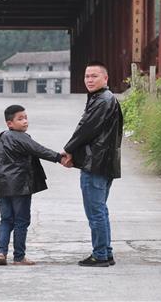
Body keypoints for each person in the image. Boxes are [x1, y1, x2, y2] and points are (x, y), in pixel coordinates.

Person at [0, 104, 67, 266]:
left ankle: (1, 252)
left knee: (6, 220)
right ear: (10, 123)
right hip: (20, 187)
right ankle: (19, 257)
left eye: (26, 118)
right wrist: (59, 157)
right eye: (20, 119)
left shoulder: (1, 137)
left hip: (2, 186)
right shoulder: (22, 138)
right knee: (21, 221)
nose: (25, 122)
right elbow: (39, 150)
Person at [62, 61, 123, 267]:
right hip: (104, 163)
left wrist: (68, 150)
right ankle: (106, 252)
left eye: (94, 76)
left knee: (95, 212)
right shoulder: (103, 99)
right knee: (100, 210)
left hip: (96, 164)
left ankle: (100, 255)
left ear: (105, 78)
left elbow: (86, 129)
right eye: (87, 76)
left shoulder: (102, 100)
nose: (89, 80)